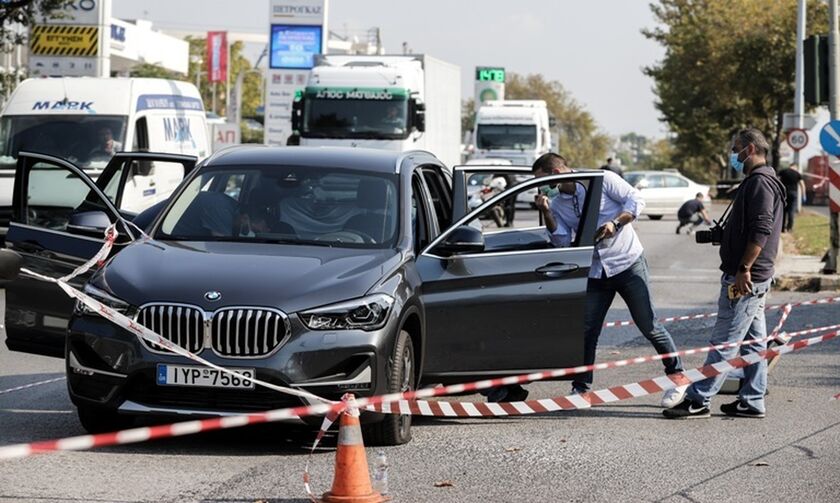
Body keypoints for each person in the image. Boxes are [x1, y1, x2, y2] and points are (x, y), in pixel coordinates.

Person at [517, 153, 684, 407]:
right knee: (587, 331)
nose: (542, 187)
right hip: (596, 271)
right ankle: (581, 389)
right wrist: (547, 213)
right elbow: (561, 240)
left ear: (557, 173)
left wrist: (615, 224)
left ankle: (677, 377)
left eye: (544, 180)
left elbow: (636, 199)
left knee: (649, 325)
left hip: (627, 263)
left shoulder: (603, 179)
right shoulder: (558, 203)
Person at [664, 128, 785, 419]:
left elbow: (761, 230)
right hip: (754, 276)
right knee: (754, 343)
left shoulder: (760, 184)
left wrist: (744, 268)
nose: (734, 155)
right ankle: (752, 400)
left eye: (736, 149)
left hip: (746, 277)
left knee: (725, 342)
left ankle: (699, 399)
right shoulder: (761, 181)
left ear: (750, 149)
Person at [777, 163, 805, 232]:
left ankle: (782, 228)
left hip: (784, 193)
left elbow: (777, 180)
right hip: (793, 193)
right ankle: (790, 228)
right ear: (795, 167)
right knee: (791, 211)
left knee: (783, 211)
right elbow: (802, 185)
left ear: (790, 166)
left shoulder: (783, 171)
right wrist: (804, 195)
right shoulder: (797, 174)